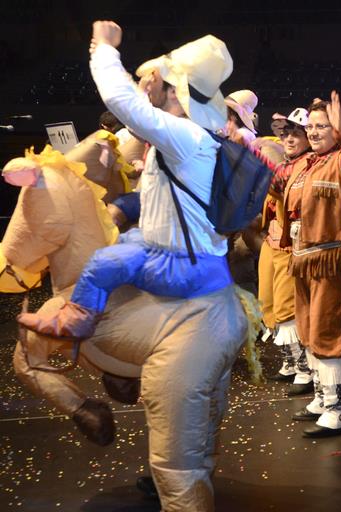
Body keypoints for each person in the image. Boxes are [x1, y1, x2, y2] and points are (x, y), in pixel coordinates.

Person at [20, 21, 247, 510]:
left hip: (188, 294)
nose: (151, 88)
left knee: (177, 470)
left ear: (175, 91)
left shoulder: (185, 135)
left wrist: (104, 49)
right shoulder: (198, 135)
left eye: (162, 83)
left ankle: (76, 318)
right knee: (197, 446)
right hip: (205, 284)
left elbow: (125, 105)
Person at [276, 93, 341, 437]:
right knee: (307, 328)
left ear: (337, 131)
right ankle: (322, 395)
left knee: (328, 329)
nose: (314, 132)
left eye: (323, 127)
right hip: (303, 259)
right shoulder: (306, 164)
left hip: (332, 259)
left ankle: (339, 409)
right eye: (312, 127)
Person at [260, 107, 314, 389]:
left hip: (289, 244)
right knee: (267, 302)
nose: (290, 139)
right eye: (287, 134)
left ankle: (303, 367)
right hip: (272, 241)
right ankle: (289, 361)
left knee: (287, 305)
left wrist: (245, 146)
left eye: (296, 134)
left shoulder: (307, 165)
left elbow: (280, 189)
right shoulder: (287, 164)